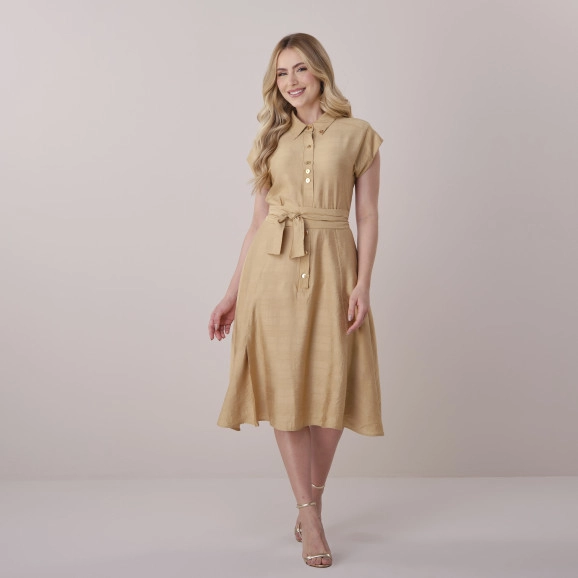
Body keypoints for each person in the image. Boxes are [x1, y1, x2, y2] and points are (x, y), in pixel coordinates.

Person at [208, 32, 384, 568]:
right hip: (273, 272)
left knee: (331, 389)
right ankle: (310, 516)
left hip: (334, 269)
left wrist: (363, 283)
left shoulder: (358, 135)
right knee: (286, 391)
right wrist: (231, 293)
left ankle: (313, 499)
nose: (291, 81)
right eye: (282, 73)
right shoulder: (271, 139)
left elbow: (368, 215)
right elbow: (256, 224)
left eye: (300, 69)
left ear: (321, 72)